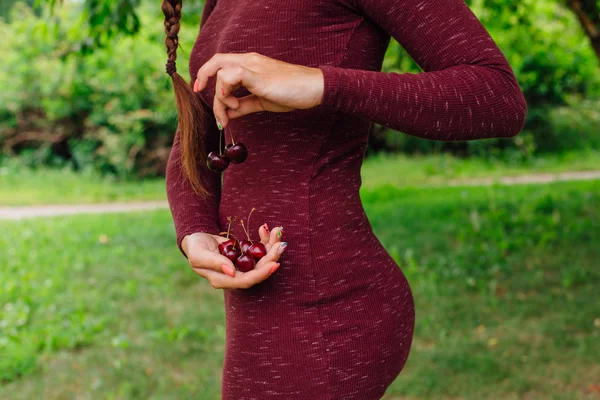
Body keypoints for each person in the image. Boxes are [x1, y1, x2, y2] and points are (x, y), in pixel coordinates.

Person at [161, 0, 527, 398]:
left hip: (328, 309)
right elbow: (198, 134)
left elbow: (497, 97)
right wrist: (194, 231)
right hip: (260, 309)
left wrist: (320, 84)